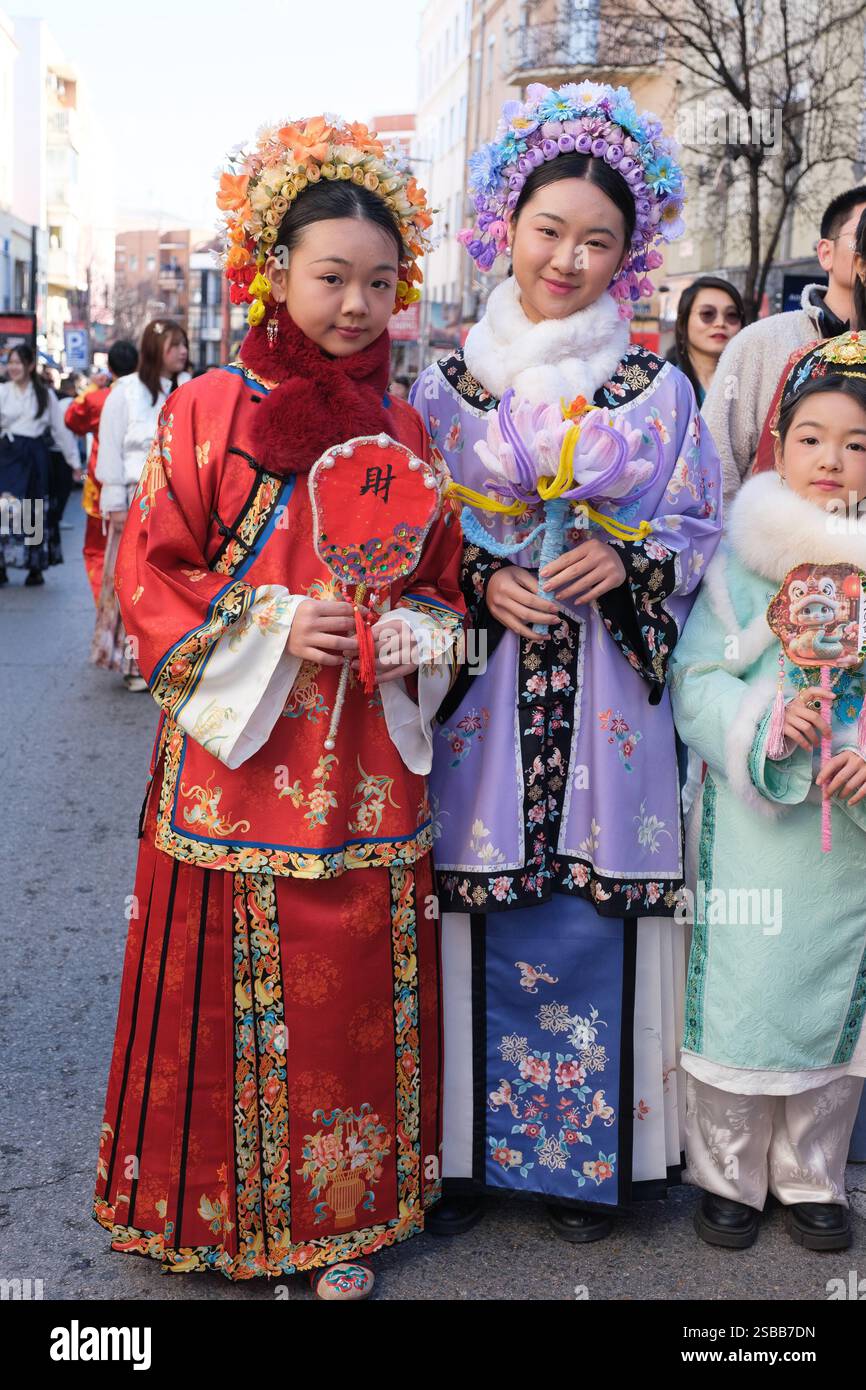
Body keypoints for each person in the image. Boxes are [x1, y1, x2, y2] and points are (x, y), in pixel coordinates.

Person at [91, 115, 464, 1300]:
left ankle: (337, 1221)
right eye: (330, 278)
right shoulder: (205, 406)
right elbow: (147, 570)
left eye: (378, 283)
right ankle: (206, 1211)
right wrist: (264, 622)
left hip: (364, 752)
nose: (356, 305)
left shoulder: (405, 425)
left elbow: (442, 581)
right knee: (226, 974)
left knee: (354, 982)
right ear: (274, 273)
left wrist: (416, 629)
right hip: (238, 755)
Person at [409, 81, 723, 1242]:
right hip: (481, 701)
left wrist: (625, 563)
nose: (568, 258)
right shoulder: (440, 393)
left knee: (594, 910)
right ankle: (457, 1154)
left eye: (598, 241)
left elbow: (698, 531)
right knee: (459, 907)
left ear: (629, 257)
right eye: (549, 231)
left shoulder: (658, 392)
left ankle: (588, 1157)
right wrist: (473, 578)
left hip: (603, 708)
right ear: (507, 227)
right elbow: (400, 543)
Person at [669, 333, 866, 1251]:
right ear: (776, 447)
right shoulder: (741, 561)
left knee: (834, 992)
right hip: (753, 825)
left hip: (852, 824)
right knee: (747, 991)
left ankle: (812, 1173)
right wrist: (762, 724)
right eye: (812, 438)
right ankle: (729, 1173)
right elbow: (696, 678)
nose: (833, 460)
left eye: (858, 443)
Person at [703, 185, 866, 503]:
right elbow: (714, 462)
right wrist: (734, 545)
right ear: (826, 253)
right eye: (860, 234)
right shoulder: (762, 342)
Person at [92, 320, 190, 688]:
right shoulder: (125, 391)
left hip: (180, 499)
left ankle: (171, 661)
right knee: (133, 582)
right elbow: (110, 449)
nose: (182, 352)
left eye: (184, 345)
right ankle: (134, 664)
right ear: (154, 348)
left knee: (170, 584)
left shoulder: (189, 389)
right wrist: (114, 501)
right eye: (173, 345)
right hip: (136, 496)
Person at [0, 343, 80, 585]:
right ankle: (2, 562)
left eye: (18, 363)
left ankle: (35, 564)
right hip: (7, 454)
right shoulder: (2, 391)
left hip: (35, 455)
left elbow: (61, 431)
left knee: (34, 510)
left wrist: (74, 462)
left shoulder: (45, 395)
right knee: (6, 509)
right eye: (10, 362)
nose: (13, 367)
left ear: (30, 365)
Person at [65, 340, 139, 603]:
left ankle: (104, 601)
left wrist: (93, 387)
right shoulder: (147, 396)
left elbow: (72, 419)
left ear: (110, 367)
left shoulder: (97, 398)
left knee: (97, 549)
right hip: (140, 484)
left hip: (102, 483)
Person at [667, 276, 744, 407]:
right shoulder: (664, 384)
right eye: (707, 313)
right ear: (682, 324)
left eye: (731, 315)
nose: (720, 323)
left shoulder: (755, 385)